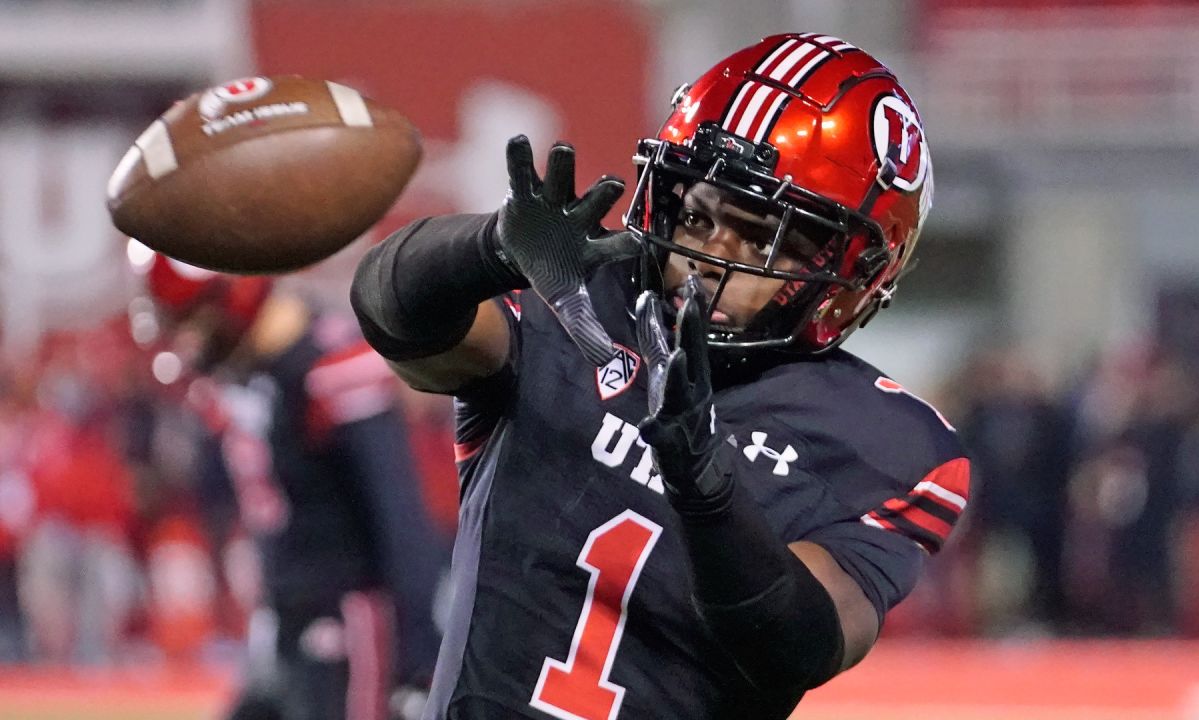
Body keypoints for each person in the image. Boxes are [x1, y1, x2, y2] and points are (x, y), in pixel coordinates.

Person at [351, 32, 969, 719]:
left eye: (765, 234)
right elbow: (393, 314)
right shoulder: (578, 301)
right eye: (699, 214)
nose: (710, 256)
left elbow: (799, 646)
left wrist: (706, 486)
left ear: (850, 275)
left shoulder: (885, 440)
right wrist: (493, 247)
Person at [133, 247, 452, 720]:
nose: (186, 340)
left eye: (193, 321)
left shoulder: (331, 363)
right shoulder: (244, 369)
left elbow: (398, 511)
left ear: (232, 298)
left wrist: (422, 655)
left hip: (348, 615)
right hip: (285, 615)